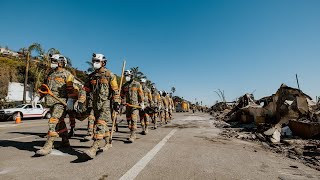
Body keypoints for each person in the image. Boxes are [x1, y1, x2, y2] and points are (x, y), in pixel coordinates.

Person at [34, 54, 77, 156]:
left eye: (54, 60)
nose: (51, 62)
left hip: (60, 103)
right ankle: (65, 141)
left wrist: (71, 100)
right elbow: (44, 88)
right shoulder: (50, 75)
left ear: (61, 62)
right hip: (51, 102)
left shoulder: (67, 74)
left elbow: (71, 89)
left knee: (53, 121)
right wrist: (38, 96)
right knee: (61, 122)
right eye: (52, 60)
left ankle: (48, 145)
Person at [81, 53, 120, 159]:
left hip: (105, 104)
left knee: (100, 125)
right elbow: (85, 89)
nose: (95, 63)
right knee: (104, 126)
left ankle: (94, 148)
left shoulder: (110, 75)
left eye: (97, 61)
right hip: (94, 105)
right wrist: (81, 101)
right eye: (94, 61)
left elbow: (115, 91)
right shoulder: (91, 76)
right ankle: (108, 143)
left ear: (103, 63)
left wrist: (117, 102)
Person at [121, 70, 144, 143]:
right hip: (127, 106)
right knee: (128, 120)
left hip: (135, 106)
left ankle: (133, 135)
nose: (127, 77)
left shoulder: (137, 84)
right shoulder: (124, 85)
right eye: (126, 76)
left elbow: (140, 94)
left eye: (128, 75)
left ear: (131, 76)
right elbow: (122, 95)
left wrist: (142, 102)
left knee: (134, 119)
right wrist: (122, 102)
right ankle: (132, 131)